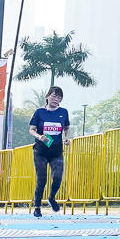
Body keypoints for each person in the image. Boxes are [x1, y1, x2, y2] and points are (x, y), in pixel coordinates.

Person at [28, 86, 71, 217]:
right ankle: (37, 207)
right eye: (54, 96)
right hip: (41, 150)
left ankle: (51, 197)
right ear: (47, 97)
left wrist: (67, 137)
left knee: (58, 176)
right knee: (41, 180)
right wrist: (39, 136)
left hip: (56, 150)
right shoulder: (39, 112)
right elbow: (31, 129)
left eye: (59, 97)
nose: (56, 99)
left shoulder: (63, 112)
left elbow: (66, 127)